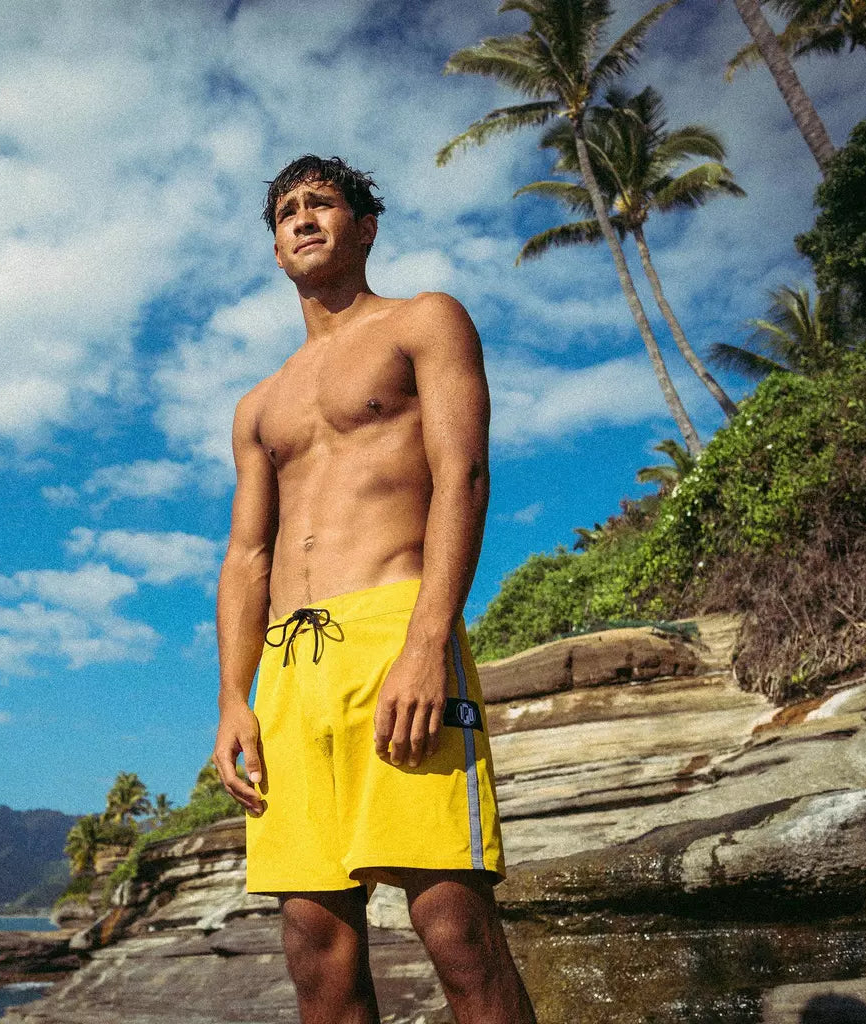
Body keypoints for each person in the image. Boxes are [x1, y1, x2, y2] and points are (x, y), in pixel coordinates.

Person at [212, 154, 535, 1024]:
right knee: (316, 956)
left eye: (323, 203)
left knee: (455, 931)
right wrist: (234, 702)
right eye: (287, 212)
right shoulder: (258, 404)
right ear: (277, 250)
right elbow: (246, 557)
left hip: (393, 627)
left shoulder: (424, 322)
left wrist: (428, 642)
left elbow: (461, 475)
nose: (304, 218)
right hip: (288, 670)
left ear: (365, 227)